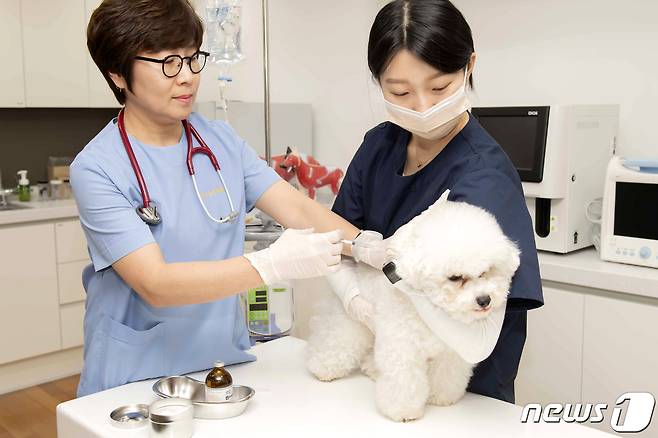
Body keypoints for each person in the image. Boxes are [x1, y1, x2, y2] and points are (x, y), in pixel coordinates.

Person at [73, 0, 378, 397]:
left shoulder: (219, 142)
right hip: (134, 376)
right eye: (168, 63)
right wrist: (270, 264)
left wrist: (370, 247)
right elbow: (156, 284)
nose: (187, 77)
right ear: (117, 74)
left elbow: (298, 208)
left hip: (220, 363)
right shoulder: (97, 168)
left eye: (192, 58)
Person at [328, 0, 544, 403]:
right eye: (401, 91)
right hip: (388, 368)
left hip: (463, 385)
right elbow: (339, 238)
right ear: (378, 82)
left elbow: (477, 329)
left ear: (470, 66)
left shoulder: (483, 175)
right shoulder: (380, 143)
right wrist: (352, 296)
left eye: (440, 87)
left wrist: (393, 293)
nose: (423, 106)